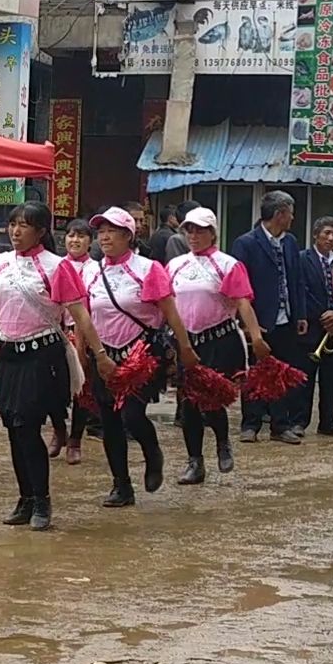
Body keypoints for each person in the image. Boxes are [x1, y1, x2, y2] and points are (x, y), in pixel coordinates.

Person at [0, 203, 105, 530]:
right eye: (13, 225)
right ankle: (25, 498)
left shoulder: (57, 267)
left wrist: (98, 353)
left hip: (42, 357)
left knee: (28, 426)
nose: (15, 231)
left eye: (24, 226)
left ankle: (42, 500)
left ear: (41, 231)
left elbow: (80, 314)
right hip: (8, 355)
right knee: (14, 428)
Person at [81, 206, 199, 506]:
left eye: (112, 232)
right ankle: (121, 485)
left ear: (128, 236)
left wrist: (185, 349)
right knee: (109, 421)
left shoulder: (148, 269)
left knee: (132, 415)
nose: (104, 237)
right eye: (101, 231)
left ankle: (152, 452)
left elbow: (170, 313)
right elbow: (82, 314)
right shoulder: (91, 271)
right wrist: (82, 353)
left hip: (141, 353)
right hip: (103, 355)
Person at [166, 207, 271, 483]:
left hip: (219, 339)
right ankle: (195, 461)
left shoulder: (227, 264)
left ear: (213, 233)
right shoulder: (176, 265)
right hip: (187, 341)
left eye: (200, 230)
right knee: (188, 404)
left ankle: (223, 441)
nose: (194, 236)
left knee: (210, 400)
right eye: (190, 230)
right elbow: (164, 303)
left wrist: (256, 338)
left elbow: (242, 302)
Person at [230, 190, 308, 444]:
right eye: (290, 213)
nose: (292, 218)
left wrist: (301, 314)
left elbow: (296, 280)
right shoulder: (246, 243)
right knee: (254, 372)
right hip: (259, 319)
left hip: (286, 318)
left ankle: (280, 424)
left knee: (281, 372)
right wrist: (245, 322)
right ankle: (250, 424)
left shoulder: (290, 242)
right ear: (279, 214)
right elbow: (240, 286)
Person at [49, 217, 98, 464]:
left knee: (82, 390)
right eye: (71, 235)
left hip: (85, 334)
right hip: (55, 333)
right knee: (52, 389)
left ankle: (76, 439)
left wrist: (83, 344)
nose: (75, 240)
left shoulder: (95, 270)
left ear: (90, 241)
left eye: (81, 236)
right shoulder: (54, 266)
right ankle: (59, 429)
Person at [299, 215, 333, 437]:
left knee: (331, 378)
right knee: (305, 379)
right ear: (316, 235)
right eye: (326, 233)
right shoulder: (303, 259)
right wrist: (323, 315)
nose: (330, 238)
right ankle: (299, 422)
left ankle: (328, 421)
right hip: (311, 327)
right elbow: (302, 290)